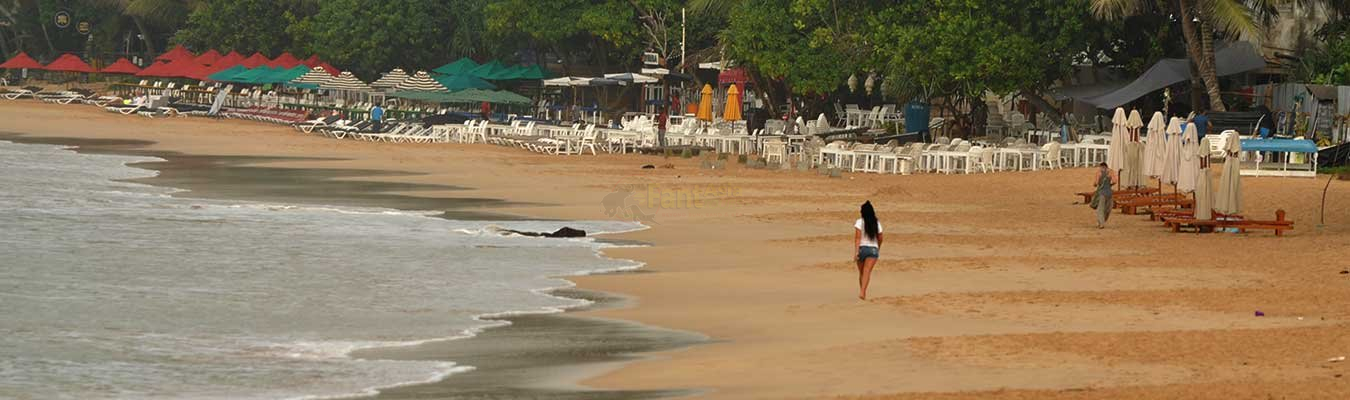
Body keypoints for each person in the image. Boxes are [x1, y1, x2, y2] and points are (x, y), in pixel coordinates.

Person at [854, 201, 883, 300]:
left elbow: (857, 238)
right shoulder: (876, 223)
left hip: (862, 248)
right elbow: (880, 237)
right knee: (867, 272)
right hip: (873, 249)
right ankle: (863, 292)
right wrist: (878, 247)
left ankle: (862, 292)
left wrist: (856, 252)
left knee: (862, 272)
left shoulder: (859, 222)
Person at [1090, 162, 1117, 229]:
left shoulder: (1099, 172)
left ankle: (1101, 223)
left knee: (1100, 209)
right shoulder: (1111, 172)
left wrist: (1096, 184)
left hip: (1102, 193)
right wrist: (1109, 185)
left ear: (1101, 167)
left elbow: (1096, 183)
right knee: (1108, 209)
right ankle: (1102, 221)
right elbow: (1114, 181)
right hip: (1109, 193)